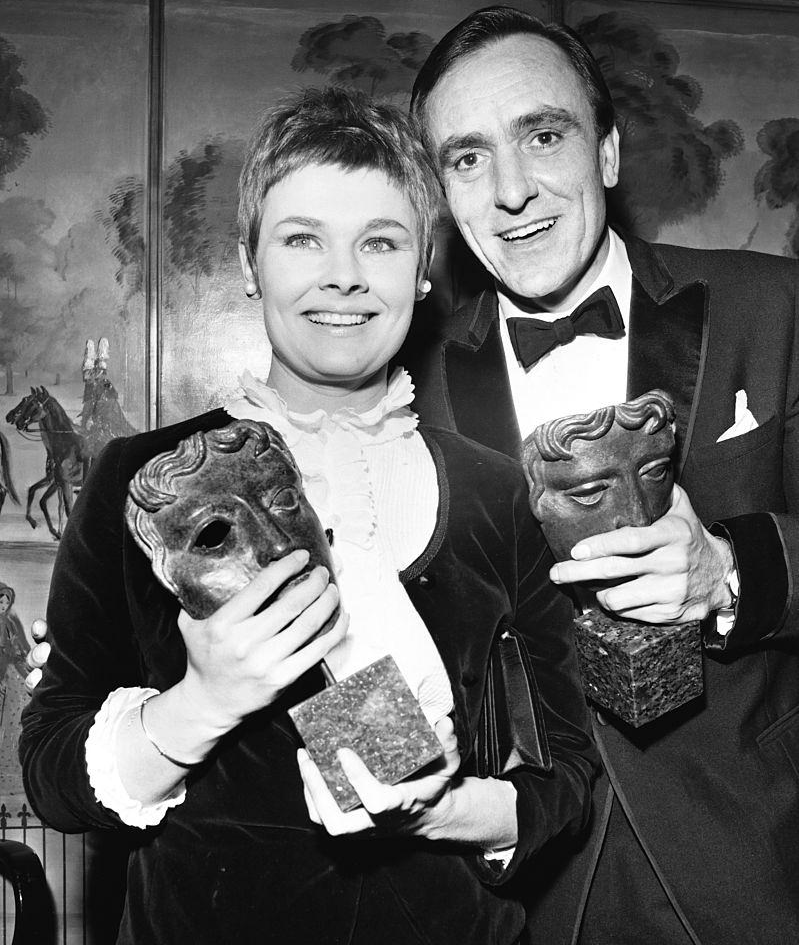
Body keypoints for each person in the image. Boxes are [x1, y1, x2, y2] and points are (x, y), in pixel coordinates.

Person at [20, 86, 597, 945]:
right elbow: (53, 773)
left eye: (381, 241)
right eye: (301, 240)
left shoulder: (495, 489)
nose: (343, 276)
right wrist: (202, 702)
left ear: (424, 269)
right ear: (250, 265)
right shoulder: (140, 482)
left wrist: (437, 809)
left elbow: (567, 776)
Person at [407, 4, 799, 945]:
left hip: (750, 857)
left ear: (608, 154)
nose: (511, 191)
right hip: (519, 888)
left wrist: (729, 572)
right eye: (467, 158)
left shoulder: (772, 306)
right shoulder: (408, 387)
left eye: (542, 136)